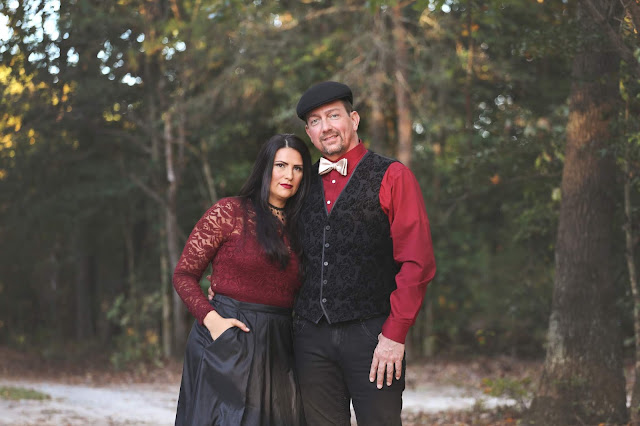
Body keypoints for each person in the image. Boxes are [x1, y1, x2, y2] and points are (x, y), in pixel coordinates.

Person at [292, 81, 436, 425]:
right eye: (315, 121)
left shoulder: (393, 176)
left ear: (353, 119)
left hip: (374, 335)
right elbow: (274, 248)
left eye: (333, 116)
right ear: (309, 133)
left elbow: (417, 262)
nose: (325, 127)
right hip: (310, 337)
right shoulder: (299, 183)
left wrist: (395, 334)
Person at [173, 133, 311, 426]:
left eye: (297, 168)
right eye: (281, 165)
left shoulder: (305, 226)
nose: (289, 175)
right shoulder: (230, 212)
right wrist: (213, 321)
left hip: (279, 344)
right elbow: (184, 275)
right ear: (265, 167)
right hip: (227, 335)